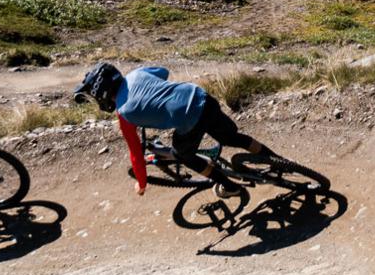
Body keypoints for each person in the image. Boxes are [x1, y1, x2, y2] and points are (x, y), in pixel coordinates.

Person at [73, 61, 249, 193]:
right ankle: (266, 156)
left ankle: (230, 186)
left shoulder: (124, 113)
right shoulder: (136, 74)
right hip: (198, 95)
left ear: (102, 95)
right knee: (230, 137)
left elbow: (136, 154)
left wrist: (142, 184)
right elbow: (163, 72)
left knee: (184, 155)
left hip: (188, 117)